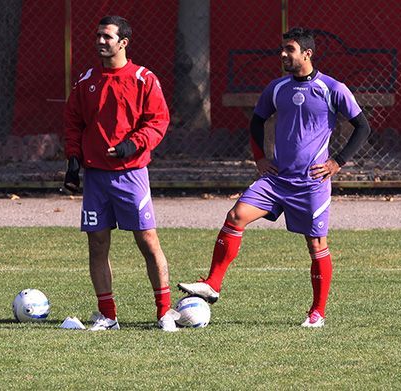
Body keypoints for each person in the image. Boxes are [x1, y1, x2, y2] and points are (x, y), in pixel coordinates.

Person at [178, 27, 371, 328]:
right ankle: (213, 283)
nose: (283, 54)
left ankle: (317, 312)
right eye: (282, 49)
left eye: (289, 49)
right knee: (236, 214)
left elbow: (363, 126)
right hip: (276, 179)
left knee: (316, 245)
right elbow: (257, 122)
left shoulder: (333, 88)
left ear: (307, 54)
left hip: (311, 183)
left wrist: (337, 162)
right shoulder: (277, 88)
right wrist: (260, 158)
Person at [63, 15, 180, 331]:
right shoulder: (86, 80)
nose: (101, 41)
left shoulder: (144, 79)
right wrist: (74, 161)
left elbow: (158, 121)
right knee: (97, 245)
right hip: (96, 178)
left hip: (131, 175)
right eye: (98, 35)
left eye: (107, 37)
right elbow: (74, 122)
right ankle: (108, 315)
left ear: (124, 42)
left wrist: (133, 145)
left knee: (147, 241)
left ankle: (164, 312)